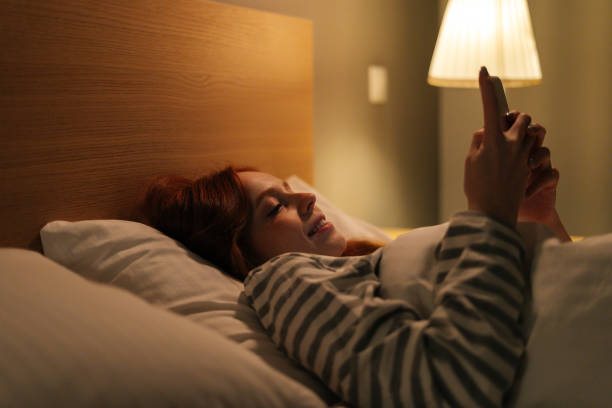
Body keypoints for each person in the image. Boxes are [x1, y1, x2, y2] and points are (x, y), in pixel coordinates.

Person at [142, 67, 570, 407]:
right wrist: (488, 215)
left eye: (291, 191)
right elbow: (447, 387)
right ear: (242, 254)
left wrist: (537, 218)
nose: (307, 197)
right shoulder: (282, 281)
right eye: (275, 208)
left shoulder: (359, 261)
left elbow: (564, 308)